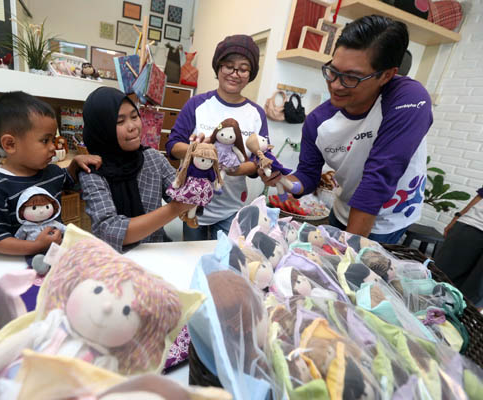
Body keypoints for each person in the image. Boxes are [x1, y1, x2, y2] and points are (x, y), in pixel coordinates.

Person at [262, 15, 432, 244]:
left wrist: (347, 251)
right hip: (344, 211)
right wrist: (286, 181)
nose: (335, 85)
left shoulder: (408, 99)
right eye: (332, 71)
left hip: (388, 220)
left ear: (387, 75)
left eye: (351, 77)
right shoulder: (317, 122)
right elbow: (308, 176)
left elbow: (379, 176)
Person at [166, 34, 269, 240]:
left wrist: (233, 169)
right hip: (192, 203)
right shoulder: (196, 104)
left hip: (232, 209)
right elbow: (172, 146)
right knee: (192, 258)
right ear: (218, 67)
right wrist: (199, 151)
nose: (234, 73)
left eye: (243, 68)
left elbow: (259, 161)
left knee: (223, 263)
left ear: (251, 73)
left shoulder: (256, 114)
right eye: (228, 65)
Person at [0, 91, 101, 255]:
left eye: (53, 139)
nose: (53, 147)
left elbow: (68, 180)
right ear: (10, 144)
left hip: (57, 258)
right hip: (17, 267)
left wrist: (75, 164)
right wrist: (36, 246)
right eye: (45, 140)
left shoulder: (52, 172)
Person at [79, 87, 194, 253]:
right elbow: (110, 230)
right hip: (114, 260)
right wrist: (176, 207)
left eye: (134, 117)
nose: (132, 126)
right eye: (120, 122)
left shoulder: (153, 158)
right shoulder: (92, 170)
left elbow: (183, 194)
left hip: (157, 252)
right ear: (102, 128)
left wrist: (198, 163)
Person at [435, 186, 483, 306]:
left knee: (473, 298)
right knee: (438, 279)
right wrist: (458, 217)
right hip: (473, 225)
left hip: (471, 226)